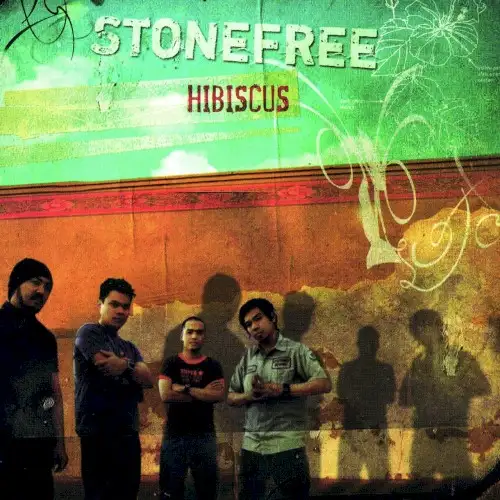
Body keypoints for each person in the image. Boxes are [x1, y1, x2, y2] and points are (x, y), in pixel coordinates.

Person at [228, 298, 332, 500]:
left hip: (286, 446)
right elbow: (231, 397)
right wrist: (249, 396)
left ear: (273, 318)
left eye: (258, 318)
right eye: (248, 324)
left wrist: (283, 389)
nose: (254, 326)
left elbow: (323, 383)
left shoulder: (297, 351)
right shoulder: (248, 358)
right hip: (252, 448)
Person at [74, 278, 154, 500]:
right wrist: (133, 370)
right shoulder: (88, 332)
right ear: (100, 304)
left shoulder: (129, 347)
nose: (120, 311)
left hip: (127, 433)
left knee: (128, 494)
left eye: (125, 307)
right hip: (97, 434)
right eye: (114, 304)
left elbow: (148, 379)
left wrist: (125, 365)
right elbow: (106, 366)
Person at [0, 258, 68, 500]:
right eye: (36, 282)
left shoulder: (45, 338)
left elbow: (54, 392)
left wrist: (60, 443)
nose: (42, 291)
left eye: (47, 287)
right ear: (16, 283)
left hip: (37, 447)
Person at [159, 316, 224, 500]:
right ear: (182, 336)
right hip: (175, 436)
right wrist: (203, 393)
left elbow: (217, 396)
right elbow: (166, 395)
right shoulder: (171, 363)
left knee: (207, 491)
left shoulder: (213, 366)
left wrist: (186, 389)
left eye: (199, 332)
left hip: (204, 436)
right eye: (190, 332)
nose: (194, 336)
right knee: (170, 491)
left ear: (204, 337)